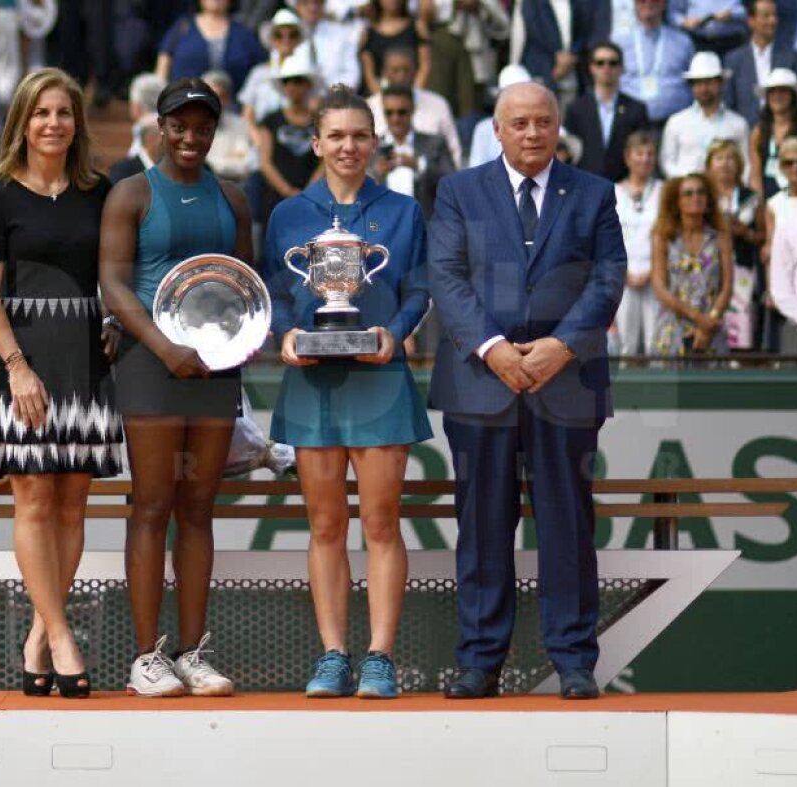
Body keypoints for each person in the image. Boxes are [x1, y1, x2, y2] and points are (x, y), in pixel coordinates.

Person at [428, 81, 626, 701]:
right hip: (479, 383)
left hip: (567, 381)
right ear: (497, 128)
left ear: (558, 126)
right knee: (483, 526)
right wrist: (491, 348)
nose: (533, 132)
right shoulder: (460, 190)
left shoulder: (592, 192)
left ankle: (573, 660)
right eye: (519, 123)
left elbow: (608, 275)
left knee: (567, 524)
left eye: (543, 121)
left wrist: (561, 347)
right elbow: (446, 276)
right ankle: (480, 662)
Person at [263, 85, 430, 699]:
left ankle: (381, 656)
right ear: (316, 143)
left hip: (380, 378)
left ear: (375, 141)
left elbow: (418, 290)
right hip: (312, 380)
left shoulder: (404, 211)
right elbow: (278, 295)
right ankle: (333, 654)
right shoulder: (288, 215)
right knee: (326, 524)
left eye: (359, 135)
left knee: (382, 523)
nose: (348, 146)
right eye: (336, 136)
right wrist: (284, 333)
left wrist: (398, 331)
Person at [0, 68, 124, 700]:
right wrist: (17, 367)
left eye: (63, 112)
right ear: (22, 123)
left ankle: (38, 634)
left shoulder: (100, 192)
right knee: (33, 501)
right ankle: (62, 637)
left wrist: (116, 320)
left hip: (86, 363)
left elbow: (117, 275)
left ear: (77, 122)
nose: (53, 123)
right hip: (23, 363)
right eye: (41, 113)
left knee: (72, 505)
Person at [98, 78, 253, 698]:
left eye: (203, 126)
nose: (192, 137)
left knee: (197, 509)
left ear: (216, 131)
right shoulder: (131, 194)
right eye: (180, 125)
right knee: (153, 504)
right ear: (158, 127)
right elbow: (113, 283)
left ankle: (193, 653)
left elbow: (246, 286)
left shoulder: (234, 199)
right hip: (149, 368)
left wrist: (234, 346)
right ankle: (146, 658)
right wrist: (165, 348)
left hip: (214, 372)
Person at [650, 173, 734, 355]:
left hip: (712, 327)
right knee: (670, 381)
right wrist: (697, 318)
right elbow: (660, 288)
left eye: (700, 192)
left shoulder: (720, 235)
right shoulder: (663, 237)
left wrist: (709, 322)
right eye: (688, 193)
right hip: (674, 325)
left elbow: (727, 286)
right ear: (677, 201)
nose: (696, 197)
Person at [564, 41, 651, 182]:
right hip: (584, 186)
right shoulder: (576, 109)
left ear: (621, 68)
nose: (606, 67)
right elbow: (569, 152)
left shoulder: (636, 109)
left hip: (623, 187)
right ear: (591, 67)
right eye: (600, 63)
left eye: (613, 63)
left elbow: (640, 149)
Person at [707, 138, 764, 350]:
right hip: (710, 269)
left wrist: (744, 232)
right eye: (719, 158)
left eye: (731, 158)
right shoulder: (703, 196)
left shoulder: (751, 197)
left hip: (742, 270)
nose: (725, 163)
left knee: (742, 324)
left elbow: (762, 236)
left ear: (739, 165)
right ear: (709, 164)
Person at [367, 47, 461, 168]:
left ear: (416, 71)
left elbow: (454, 153)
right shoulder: (367, 108)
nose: (401, 76)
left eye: (406, 70)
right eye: (395, 70)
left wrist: (419, 165)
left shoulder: (438, 104)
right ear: (384, 72)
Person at [660, 51, 750, 178]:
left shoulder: (737, 124)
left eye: (709, 82)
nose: (704, 88)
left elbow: (745, 164)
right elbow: (667, 162)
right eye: (698, 83)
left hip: (725, 193)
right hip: (687, 192)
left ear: (720, 83)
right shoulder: (676, 122)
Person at [614, 131, 664, 355]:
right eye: (639, 153)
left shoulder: (664, 192)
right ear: (627, 157)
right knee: (626, 346)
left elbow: (669, 235)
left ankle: (657, 390)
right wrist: (623, 273)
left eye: (650, 154)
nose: (645, 159)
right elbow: (606, 239)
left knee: (656, 344)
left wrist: (655, 271)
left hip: (656, 278)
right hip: (623, 279)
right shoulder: (612, 192)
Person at [156, 0, 266, 99]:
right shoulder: (182, 27)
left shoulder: (243, 34)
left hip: (231, 110)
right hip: (183, 107)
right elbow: (162, 67)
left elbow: (260, 73)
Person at [376, 83, 455, 218]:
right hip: (383, 226)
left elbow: (452, 183)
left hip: (424, 227)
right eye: (389, 113)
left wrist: (418, 164)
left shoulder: (435, 143)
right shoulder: (373, 147)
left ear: (413, 109)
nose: (395, 119)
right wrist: (378, 175)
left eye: (402, 112)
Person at [257, 52, 319, 223]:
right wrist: (287, 191)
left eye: (298, 80)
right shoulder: (271, 120)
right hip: (275, 200)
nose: (292, 86)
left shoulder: (321, 121)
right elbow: (265, 162)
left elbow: (325, 161)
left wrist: (308, 192)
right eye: (287, 81)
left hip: (313, 201)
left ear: (308, 84)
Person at [722, 0, 797, 129]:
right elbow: (729, 102)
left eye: (774, 15)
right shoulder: (734, 59)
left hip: (783, 134)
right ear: (751, 21)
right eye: (766, 16)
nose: (772, 21)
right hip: (745, 134)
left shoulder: (791, 57)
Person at [614, 0, 695, 125]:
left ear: (664, 4)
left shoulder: (683, 42)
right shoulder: (619, 43)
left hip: (675, 122)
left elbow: (693, 83)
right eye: (642, 1)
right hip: (631, 125)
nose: (648, 4)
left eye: (655, 0)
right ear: (634, 4)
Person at [763, 135, 797, 350]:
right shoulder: (774, 204)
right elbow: (771, 250)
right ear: (781, 167)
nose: (795, 167)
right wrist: (772, 290)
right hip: (790, 290)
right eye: (789, 162)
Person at [238, 7, 304, 128]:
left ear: (299, 39)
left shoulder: (308, 75)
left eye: (292, 35)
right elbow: (247, 115)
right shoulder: (258, 73)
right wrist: (260, 141)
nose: (286, 40)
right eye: (279, 35)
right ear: (272, 39)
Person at [749, 68, 797, 200]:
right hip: (768, 197)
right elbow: (755, 174)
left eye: (783, 91)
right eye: (772, 92)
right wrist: (759, 203)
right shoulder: (759, 132)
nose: (777, 96)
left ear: (792, 96)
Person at [359, 0, 426, 97]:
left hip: (413, 95)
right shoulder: (368, 32)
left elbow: (424, 66)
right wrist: (382, 99)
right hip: (377, 97)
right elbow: (369, 74)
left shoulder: (417, 27)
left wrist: (414, 96)